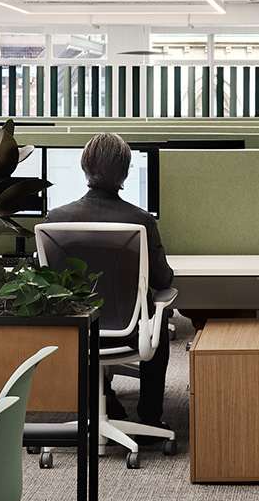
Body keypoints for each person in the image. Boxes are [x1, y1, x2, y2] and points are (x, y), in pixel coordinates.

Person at [43, 133, 175, 437]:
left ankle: (106, 402)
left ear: (83, 167)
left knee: (87, 320)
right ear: (126, 172)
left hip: (77, 333)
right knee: (159, 313)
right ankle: (150, 417)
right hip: (129, 333)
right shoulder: (140, 220)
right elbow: (162, 280)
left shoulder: (56, 218)